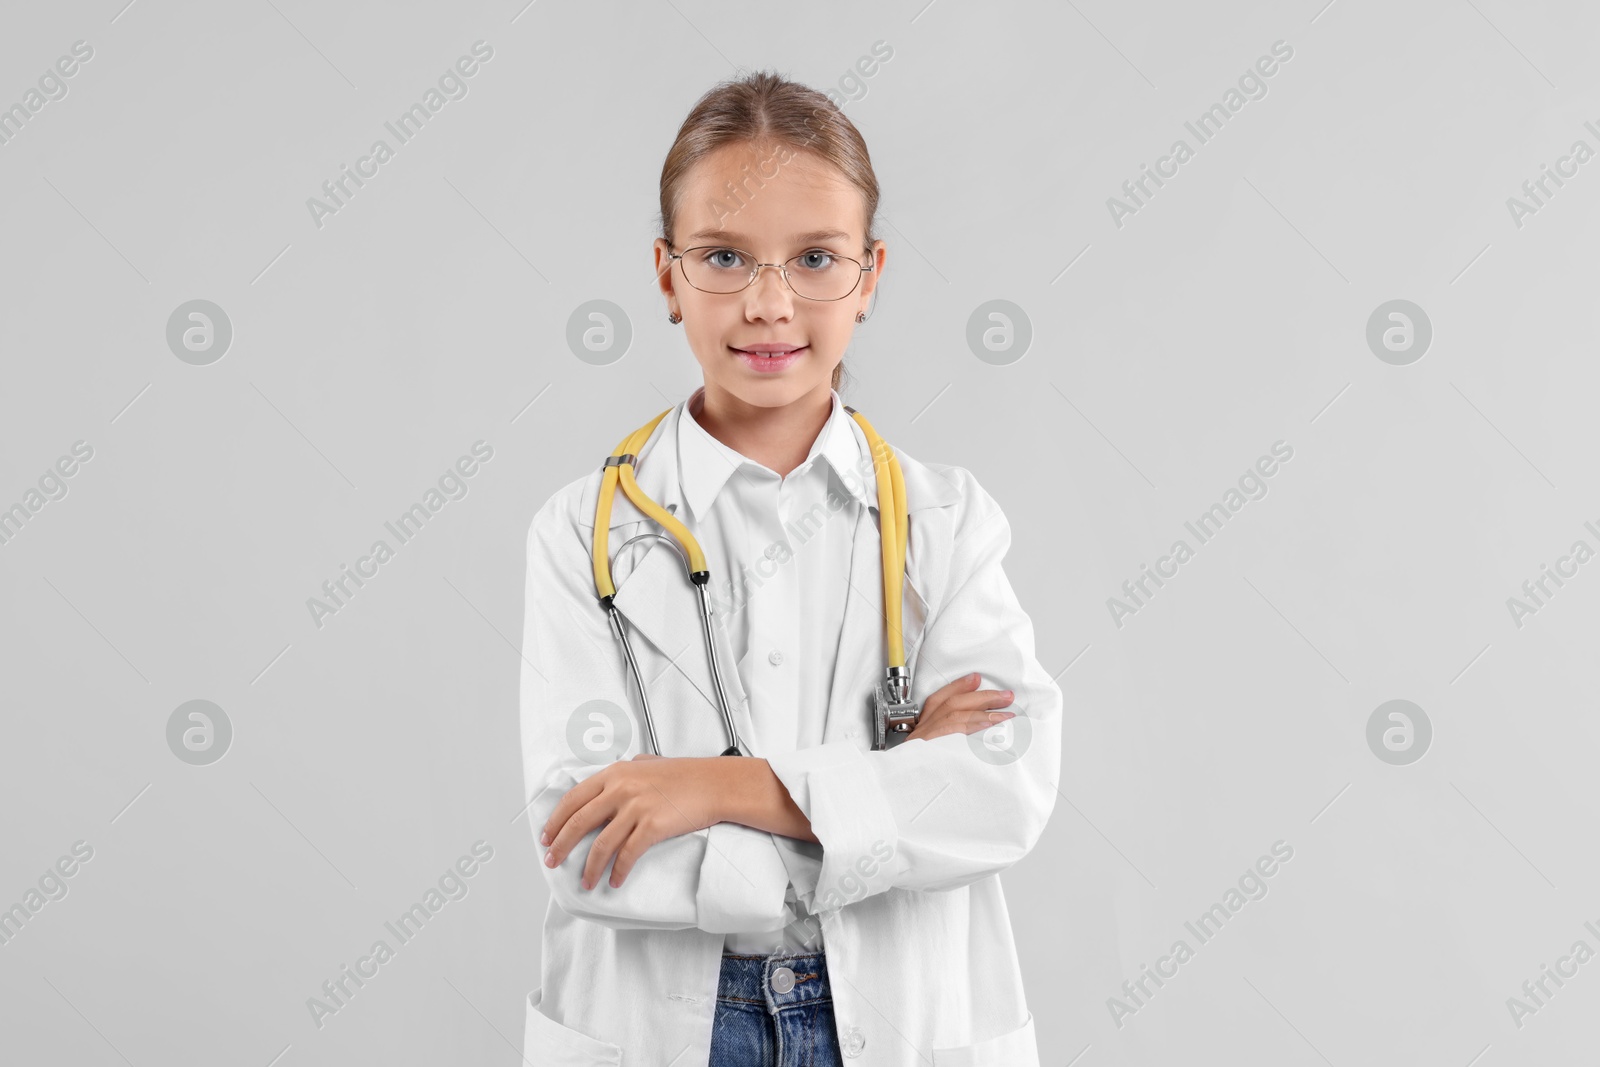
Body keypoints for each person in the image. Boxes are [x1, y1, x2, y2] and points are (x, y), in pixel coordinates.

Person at [519, 71, 1062, 1067]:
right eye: (724, 256)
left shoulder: (946, 523)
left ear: (870, 272)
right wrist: (877, 812)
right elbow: (588, 859)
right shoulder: (580, 532)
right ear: (665, 274)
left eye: (815, 258)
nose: (769, 304)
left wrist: (716, 789)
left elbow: (1000, 794)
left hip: (894, 1021)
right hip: (665, 1026)